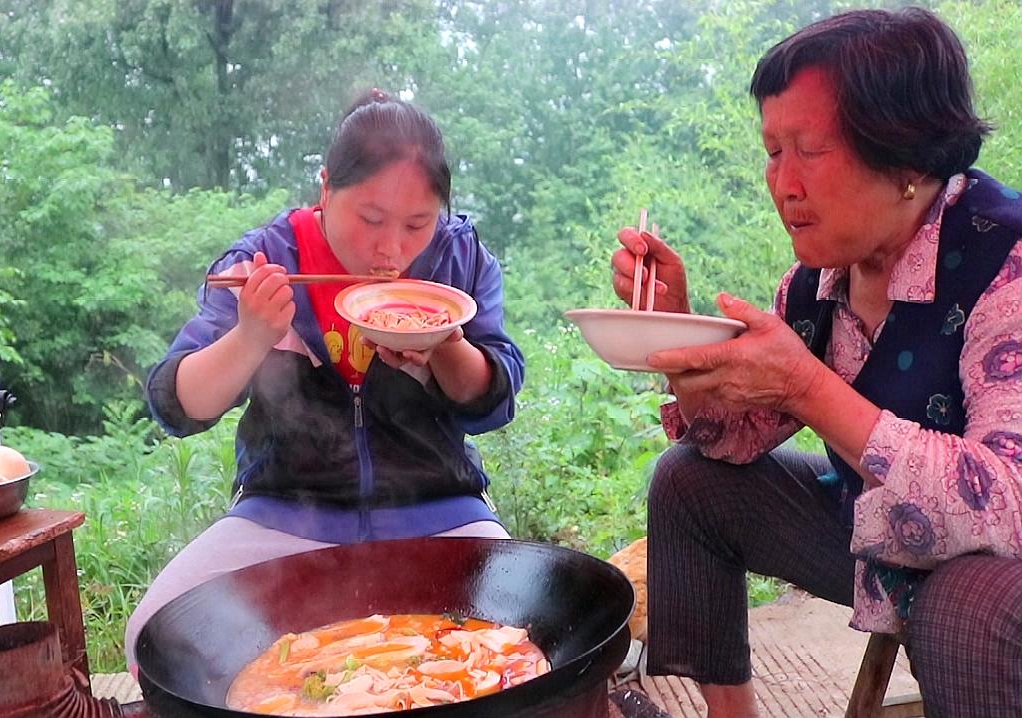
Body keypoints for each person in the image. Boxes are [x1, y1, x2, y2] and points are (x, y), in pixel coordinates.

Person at [611, 8, 1022, 717]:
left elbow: (1010, 505)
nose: (783, 183)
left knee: (964, 603)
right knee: (688, 480)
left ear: (907, 154)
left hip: (994, 576)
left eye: (809, 149)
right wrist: (675, 336)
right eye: (773, 151)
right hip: (887, 537)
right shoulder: (818, 282)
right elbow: (736, 440)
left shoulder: (1005, 261)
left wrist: (807, 387)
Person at [125, 88, 525, 670]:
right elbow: (178, 404)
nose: (391, 249)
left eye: (417, 224)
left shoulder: (456, 264)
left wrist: (445, 349)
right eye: (370, 219)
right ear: (325, 188)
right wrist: (250, 338)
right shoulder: (265, 262)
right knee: (155, 644)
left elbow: (493, 401)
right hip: (282, 515)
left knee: (512, 644)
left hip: (439, 514)